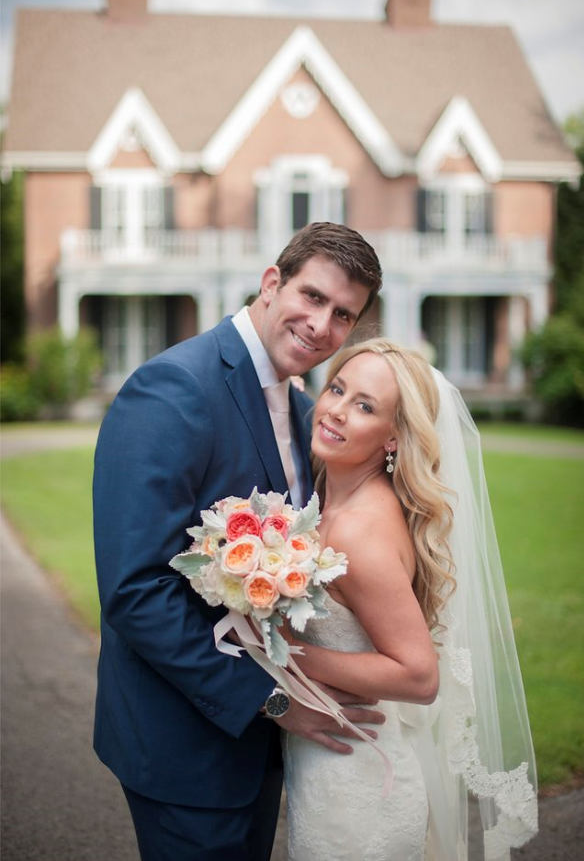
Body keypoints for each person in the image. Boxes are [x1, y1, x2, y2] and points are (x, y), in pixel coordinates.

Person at [92, 222, 387, 861]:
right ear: (272, 282)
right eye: (312, 296)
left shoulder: (307, 412)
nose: (321, 325)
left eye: (343, 314)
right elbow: (135, 591)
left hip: (263, 750)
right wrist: (272, 702)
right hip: (184, 745)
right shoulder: (173, 389)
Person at [282, 338, 538, 861]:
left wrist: (289, 655)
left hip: (358, 787)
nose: (336, 410)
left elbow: (419, 676)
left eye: (365, 406)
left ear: (393, 436)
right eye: (337, 389)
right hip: (333, 764)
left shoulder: (358, 531)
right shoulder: (331, 501)